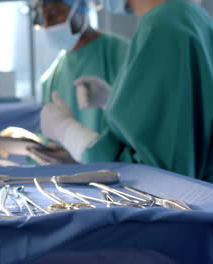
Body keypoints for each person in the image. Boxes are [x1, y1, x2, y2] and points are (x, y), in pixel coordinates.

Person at [41, 0, 213, 181]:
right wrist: (112, 102)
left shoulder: (162, 25)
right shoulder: (190, 15)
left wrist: (68, 132)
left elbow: (155, 173)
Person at [0, 0, 129, 164]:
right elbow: (55, 139)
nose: (47, 24)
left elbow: (136, 133)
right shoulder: (52, 76)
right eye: (42, 17)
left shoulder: (122, 54)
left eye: (53, 14)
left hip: (122, 176)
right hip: (71, 180)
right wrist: (32, 144)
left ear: (80, 8)